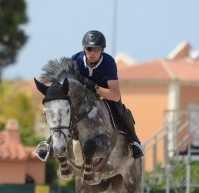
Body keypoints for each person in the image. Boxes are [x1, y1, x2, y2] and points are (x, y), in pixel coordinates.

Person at [34, 30, 144, 161]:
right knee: (63, 111)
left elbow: (115, 95)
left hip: (105, 95)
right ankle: (50, 144)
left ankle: (134, 142)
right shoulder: (75, 59)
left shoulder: (108, 63)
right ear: (84, 48)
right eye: (89, 49)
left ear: (102, 50)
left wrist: (94, 87)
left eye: (96, 50)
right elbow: (63, 86)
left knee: (122, 110)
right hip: (82, 98)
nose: (92, 53)